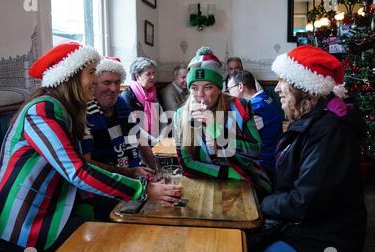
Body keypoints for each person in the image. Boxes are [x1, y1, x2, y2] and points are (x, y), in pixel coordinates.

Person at [0, 43, 182, 252]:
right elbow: (78, 171)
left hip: (54, 210)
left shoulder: (66, 110)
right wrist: (143, 190)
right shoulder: (43, 110)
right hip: (22, 223)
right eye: (92, 74)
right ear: (69, 76)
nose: (96, 82)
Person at [250, 45, 367, 252]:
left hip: (323, 241)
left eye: (281, 81)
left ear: (302, 88)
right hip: (302, 229)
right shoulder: (313, 121)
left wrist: (262, 204)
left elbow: (305, 202)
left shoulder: (330, 132)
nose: (275, 89)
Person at [174, 47, 272, 200]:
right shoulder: (180, 115)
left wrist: (216, 129)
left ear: (219, 88)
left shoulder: (241, 106)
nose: (200, 94)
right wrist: (227, 173)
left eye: (208, 87)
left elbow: (255, 150)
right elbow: (186, 163)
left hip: (245, 182)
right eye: (194, 88)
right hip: (206, 183)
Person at [78, 57, 159, 220]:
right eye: (107, 83)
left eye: (117, 82)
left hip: (131, 177)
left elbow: (138, 138)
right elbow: (87, 163)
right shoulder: (84, 112)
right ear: (94, 84)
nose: (114, 88)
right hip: (100, 187)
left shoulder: (120, 103)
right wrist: (130, 172)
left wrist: (156, 170)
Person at [227, 70, 284, 181]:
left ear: (240, 86)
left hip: (263, 164)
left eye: (229, 89)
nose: (229, 94)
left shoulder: (254, 106)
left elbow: (229, 134)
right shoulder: (265, 98)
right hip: (273, 157)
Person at [120, 57, 167, 145]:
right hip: (136, 143)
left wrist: (161, 139)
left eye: (153, 73)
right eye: (148, 74)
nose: (153, 76)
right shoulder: (127, 96)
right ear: (137, 76)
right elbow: (133, 125)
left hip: (157, 142)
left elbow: (163, 119)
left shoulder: (153, 94)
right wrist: (154, 141)